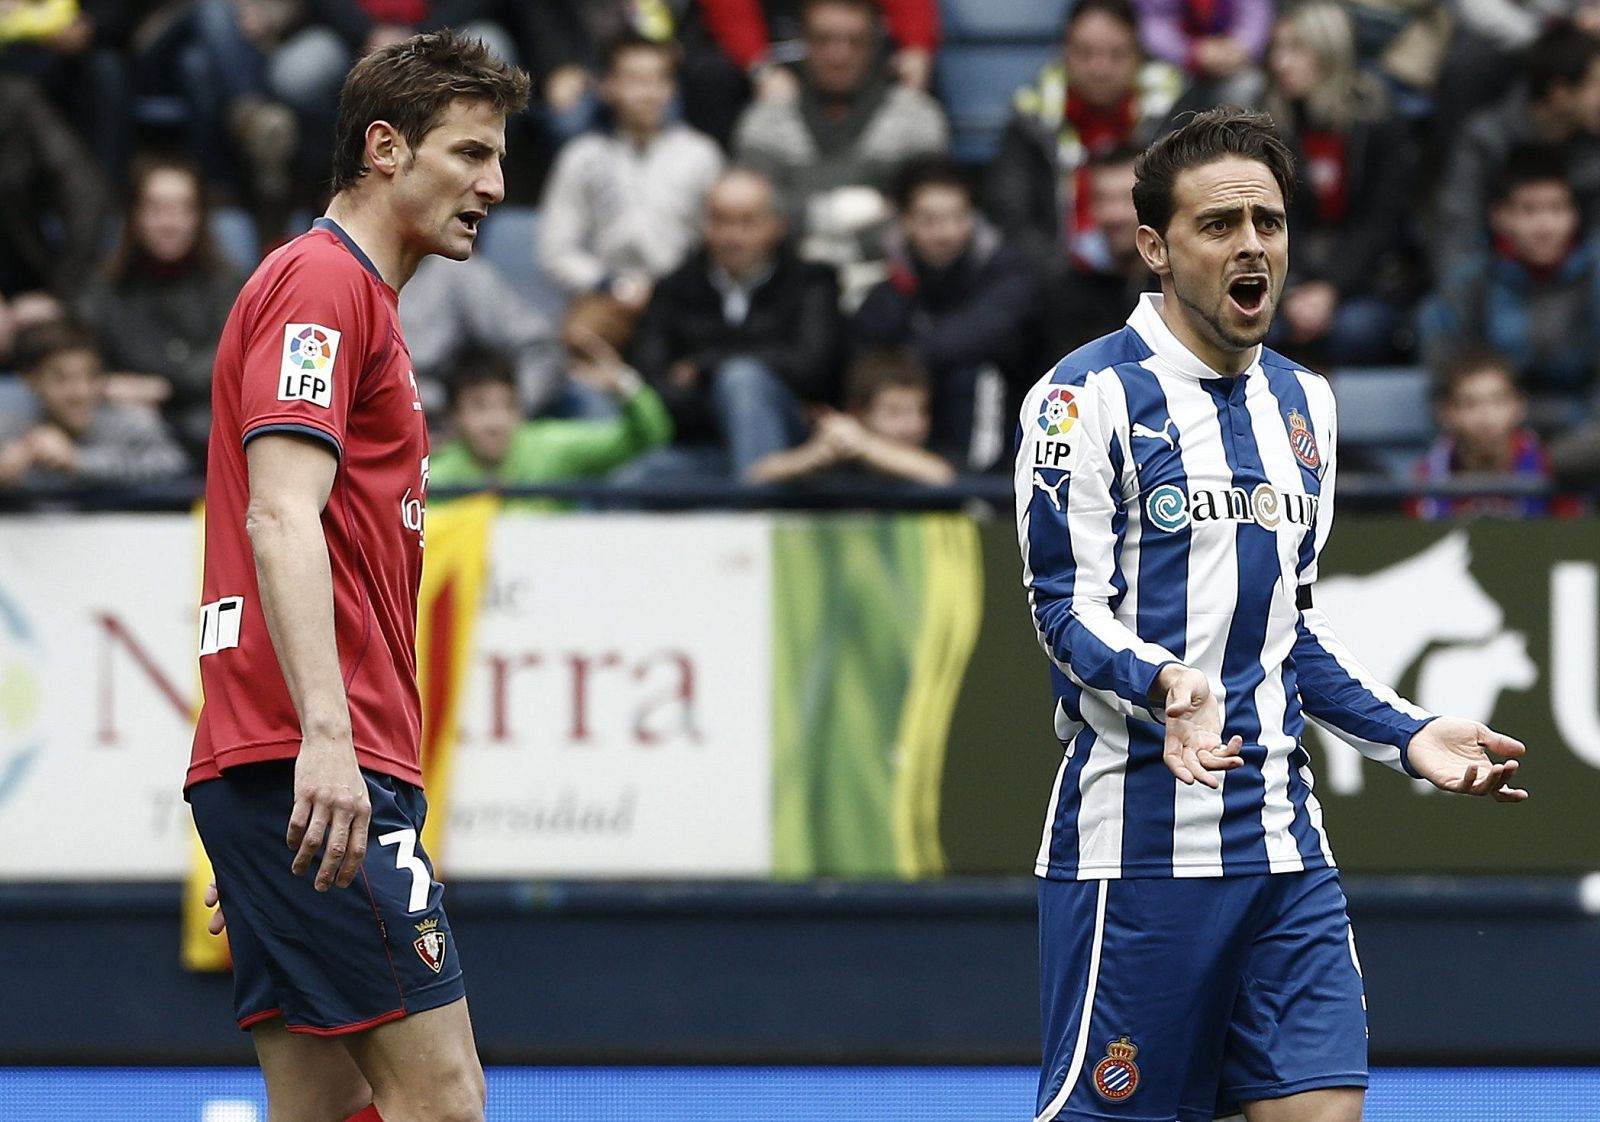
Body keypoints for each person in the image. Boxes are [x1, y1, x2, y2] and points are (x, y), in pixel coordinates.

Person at [1015, 107, 1527, 1122]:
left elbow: (1292, 628)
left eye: (1270, 222)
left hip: (1282, 844)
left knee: (1320, 1110)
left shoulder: (1306, 406)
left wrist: (1409, 734)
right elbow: (1061, 609)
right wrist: (1164, 682)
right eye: (1219, 226)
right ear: (1155, 248)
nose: (1252, 245)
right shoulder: (1083, 399)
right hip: (1139, 852)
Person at [185, 30, 529, 1122]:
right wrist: (321, 746)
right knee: (444, 1099)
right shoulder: (320, 286)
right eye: (470, 153)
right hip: (320, 762)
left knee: (325, 1109)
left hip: (283, 774)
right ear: (384, 147)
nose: (494, 185)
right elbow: (279, 512)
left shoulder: (354, 299)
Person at [627, 166, 842, 480]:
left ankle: (755, 515)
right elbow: (653, 381)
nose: (731, 236)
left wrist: (705, 366)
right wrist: (727, 405)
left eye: (746, 222)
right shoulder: (674, 288)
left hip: (794, 456)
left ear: (776, 226)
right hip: (703, 445)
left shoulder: (811, 283)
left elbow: (813, 366)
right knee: (630, 484)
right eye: (720, 221)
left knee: (742, 379)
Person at [731, 0, 948, 280]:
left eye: (854, 42)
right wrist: (844, 213)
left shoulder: (917, 119)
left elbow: (928, 219)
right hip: (786, 286)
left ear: (875, 46)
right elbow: (755, 218)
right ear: (804, 44)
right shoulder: (765, 122)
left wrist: (812, 226)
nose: (838, 55)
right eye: (824, 41)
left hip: (891, 285)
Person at [851, 158, 1036, 471]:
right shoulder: (887, 291)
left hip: (997, 434)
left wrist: (910, 355)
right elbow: (861, 363)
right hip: (900, 444)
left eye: (957, 217)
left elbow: (987, 332)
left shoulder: (1007, 273)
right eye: (929, 220)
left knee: (973, 371)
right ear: (905, 221)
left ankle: (975, 486)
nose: (945, 233)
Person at [1262, 0, 1417, 366]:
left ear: (1329, 52)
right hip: (1288, 280)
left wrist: (1331, 288)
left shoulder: (1379, 119)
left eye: (1296, 48)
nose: (1280, 62)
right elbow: (1272, 219)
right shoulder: (1266, 124)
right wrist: (1295, 292)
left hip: (1366, 281)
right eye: (1277, 49)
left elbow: (1383, 219)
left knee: (1357, 331)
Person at [537, 32, 724, 330]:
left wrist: (675, 287)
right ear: (607, 86)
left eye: (659, 80)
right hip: (605, 297)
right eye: (635, 80)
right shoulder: (581, 157)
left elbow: (716, 243)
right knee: (580, 336)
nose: (649, 93)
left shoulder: (702, 155)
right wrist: (609, 283)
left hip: (684, 301)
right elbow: (557, 250)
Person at [985, 0, 1184, 263]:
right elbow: (1014, 221)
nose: (1100, 68)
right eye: (1085, 53)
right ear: (1063, 53)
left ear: (1138, 56)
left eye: (1117, 54)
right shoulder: (1030, 119)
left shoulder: (1175, 114)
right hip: (1054, 279)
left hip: (1155, 274)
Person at [1419, 146, 1600, 432]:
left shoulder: (1594, 276)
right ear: (1500, 217)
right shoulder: (1469, 286)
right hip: (1491, 440)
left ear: (1574, 217)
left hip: (1585, 441)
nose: (1545, 225)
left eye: (1557, 209)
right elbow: (1446, 384)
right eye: (1529, 210)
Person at [78, 155, 246, 462]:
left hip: (208, 416)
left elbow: (232, 358)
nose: (170, 223)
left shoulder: (229, 282)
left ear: (200, 217)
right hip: (129, 421)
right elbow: (80, 355)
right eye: (156, 210)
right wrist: (103, 384)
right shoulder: (105, 286)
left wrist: (162, 387)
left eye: (183, 209)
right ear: (134, 216)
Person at [429, 310, 674, 507]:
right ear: (454, 417)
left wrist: (624, 385)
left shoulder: (552, 447)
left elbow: (649, 437)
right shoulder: (433, 478)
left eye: (508, 405)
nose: (496, 421)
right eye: (479, 407)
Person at [1434, 22, 1600, 280]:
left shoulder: (1592, 145)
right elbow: (1458, 232)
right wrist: (1468, 302)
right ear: (1560, 95)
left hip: (1572, 295)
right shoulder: (1485, 140)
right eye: (1594, 85)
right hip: (1494, 292)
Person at [0, 318, 188, 491]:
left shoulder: (132, 421)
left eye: (91, 377)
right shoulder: (11, 426)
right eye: (61, 379)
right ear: (31, 381)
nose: (80, 392)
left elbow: (174, 466)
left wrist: (77, 461)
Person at [1410, 346, 1577, 519]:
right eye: (1470, 404)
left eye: (1498, 402)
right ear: (1446, 413)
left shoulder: (1549, 470)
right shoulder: (1424, 482)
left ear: (1519, 406)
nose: (1486, 418)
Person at [748, 347, 954, 485]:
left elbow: (942, 476)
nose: (913, 425)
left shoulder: (935, 456)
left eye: (921, 411)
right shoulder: (837, 464)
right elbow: (755, 478)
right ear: (858, 415)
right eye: (894, 412)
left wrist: (863, 443)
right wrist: (812, 456)